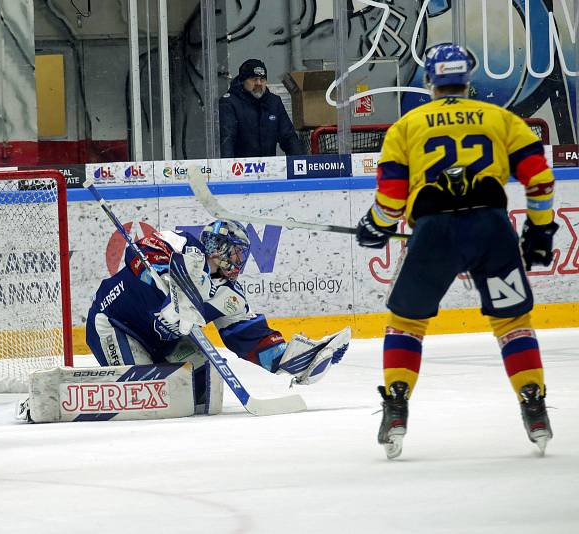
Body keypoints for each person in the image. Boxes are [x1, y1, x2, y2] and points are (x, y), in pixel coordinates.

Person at [355, 43, 557, 459]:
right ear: (468, 79)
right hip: (491, 231)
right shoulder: (501, 119)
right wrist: (539, 231)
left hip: (434, 234)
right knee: (512, 322)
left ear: (429, 79)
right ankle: (534, 406)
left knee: (406, 323)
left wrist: (376, 226)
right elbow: (539, 179)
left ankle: (396, 407)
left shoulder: (407, 126)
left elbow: (392, 198)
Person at [86, 219, 350, 408]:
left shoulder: (230, 296)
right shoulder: (182, 246)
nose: (239, 260)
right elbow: (140, 251)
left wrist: (297, 360)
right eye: (236, 251)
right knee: (142, 396)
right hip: (114, 323)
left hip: (165, 342)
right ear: (219, 248)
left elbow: (248, 337)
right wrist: (167, 278)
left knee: (204, 387)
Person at [219, 59, 305, 158]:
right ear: (243, 81)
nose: (259, 83)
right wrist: (228, 170)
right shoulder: (229, 103)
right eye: (254, 79)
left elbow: (289, 137)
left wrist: (299, 163)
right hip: (240, 170)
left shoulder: (274, 102)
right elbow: (227, 141)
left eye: (262, 79)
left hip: (269, 169)